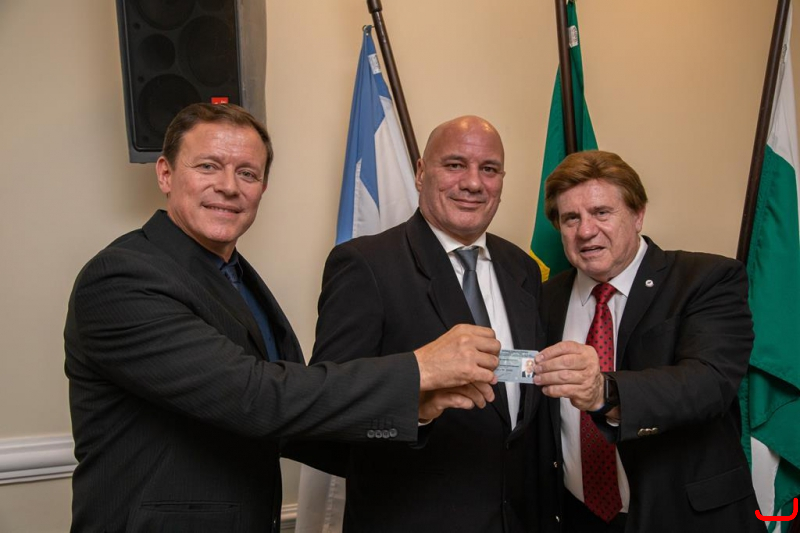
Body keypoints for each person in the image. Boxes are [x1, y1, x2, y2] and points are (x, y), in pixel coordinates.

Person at [64, 103, 501, 533]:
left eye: (247, 173)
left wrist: (415, 411)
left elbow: (294, 425)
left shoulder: (237, 278)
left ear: (262, 188)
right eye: (208, 166)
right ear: (165, 173)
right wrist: (418, 370)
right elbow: (253, 396)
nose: (229, 187)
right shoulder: (122, 277)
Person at [310, 116, 549, 532]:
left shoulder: (522, 268)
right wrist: (416, 413)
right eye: (455, 165)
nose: (473, 183)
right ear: (421, 173)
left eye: (489, 169)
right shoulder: (366, 264)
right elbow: (327, 406)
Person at [534, 150, 764, 532]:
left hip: (685, 517)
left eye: (602, 212)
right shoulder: (543, 298)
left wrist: (604, 392)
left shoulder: (707, 278)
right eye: (571, 218)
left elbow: (709, 383)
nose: (586, 230)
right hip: (576, 515)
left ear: (638, 214)